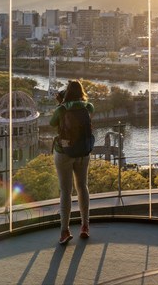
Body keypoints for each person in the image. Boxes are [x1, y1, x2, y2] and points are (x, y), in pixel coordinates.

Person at [50, 79, 94, 244]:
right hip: (83, 152)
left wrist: (61, 103)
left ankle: (65, 231)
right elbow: (91, 109)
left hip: (64, 152)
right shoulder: (87, 106)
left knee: (65, 191)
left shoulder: (62, 109)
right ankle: (85, 226)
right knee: (82, 187)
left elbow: (52, 123)